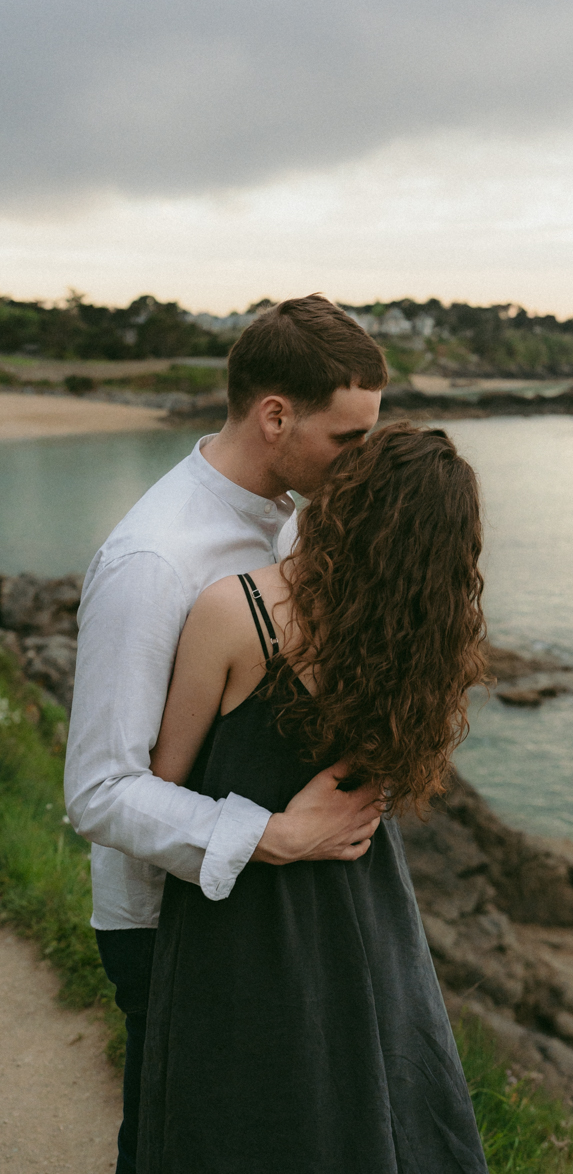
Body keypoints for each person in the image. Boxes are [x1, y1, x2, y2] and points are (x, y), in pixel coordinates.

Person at [65, 296, 389, 1174]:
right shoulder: (155, 561)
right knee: (176, 1146)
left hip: (259, 913)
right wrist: (281, 836)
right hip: (167, 923)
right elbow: (98, 790)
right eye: (347, 440)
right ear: (275, 416)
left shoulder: (293, 516)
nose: (361, 463)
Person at [137, 423, 490, 1173]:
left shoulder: (237, 613)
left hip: (246, 916)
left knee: (249, 1120)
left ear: (344, 504)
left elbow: (164, 786)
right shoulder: (416, 643)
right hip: (369, 899)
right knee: (378, 1103)